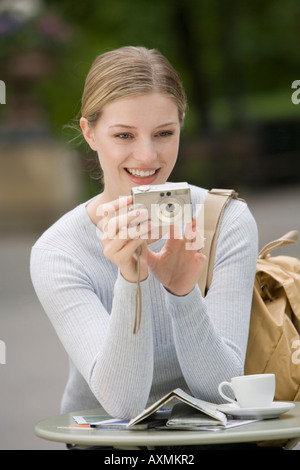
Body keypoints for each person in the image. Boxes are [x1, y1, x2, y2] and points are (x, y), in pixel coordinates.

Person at [30, 46, 258, 419]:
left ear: (181, 126)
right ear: (89, 133)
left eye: (164, 133)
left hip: (216, 438)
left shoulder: (226, 221)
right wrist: (131, 279)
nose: (148, 156)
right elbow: (122, 405)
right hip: (108, 446)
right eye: (124, 136)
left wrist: (182, 292)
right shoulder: (59, 251)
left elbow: (225, 391)